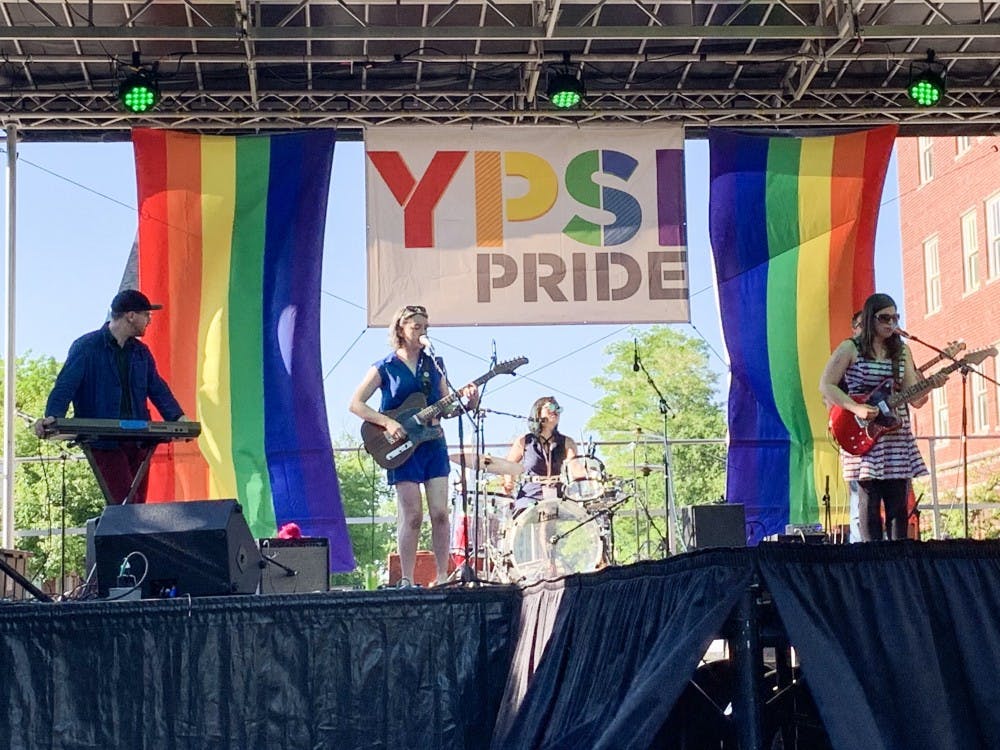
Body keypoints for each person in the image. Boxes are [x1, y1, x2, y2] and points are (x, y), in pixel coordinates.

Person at [349, 304, 478, 587]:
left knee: (440, 513)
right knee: (413, 515)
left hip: (433, 444)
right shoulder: (385, 366)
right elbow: (356, 403)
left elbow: (447, 408)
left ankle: (443, 575)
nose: (421, 332)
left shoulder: (433, 364)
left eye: (425, 327)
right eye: (415, 327)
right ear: (401, 329)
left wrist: (470, 401)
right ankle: (406, 578)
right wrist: (387, 423)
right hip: (402, 446)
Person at [34, 289, 186, 505]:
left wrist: (178, 418)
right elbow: (66, 384)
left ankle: (130, 539)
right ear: (130, 316)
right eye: (146, 315)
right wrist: (53, 416)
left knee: (137, 504)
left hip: (139, 441)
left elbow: (157, 388)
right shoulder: (87, 347)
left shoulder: (141, 352)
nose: (149, 320)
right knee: (125, 502)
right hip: (105, 441)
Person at [820, 293, 945, 541]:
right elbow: (826, 385)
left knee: (898, 502)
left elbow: (915, 398)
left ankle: (897, 559)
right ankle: (872, 560)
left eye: (895, 317)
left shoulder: (902, 352)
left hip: (895, 433)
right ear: (870, 319)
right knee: (868, 499)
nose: (891, 323)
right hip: (862, 428)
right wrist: (856, 409)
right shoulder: (850, 348)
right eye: (884, 318)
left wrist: (931, 385)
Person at [503, 397, 579, 511]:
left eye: (558, 409)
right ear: (538, 412)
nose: (555, 411)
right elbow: (508, 465)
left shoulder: (567, 442)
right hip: (530, 494)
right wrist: (509, 482)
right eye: (551, 407)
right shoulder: (525, 441)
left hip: (557, 494)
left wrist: (592, 476)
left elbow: (575, 467)